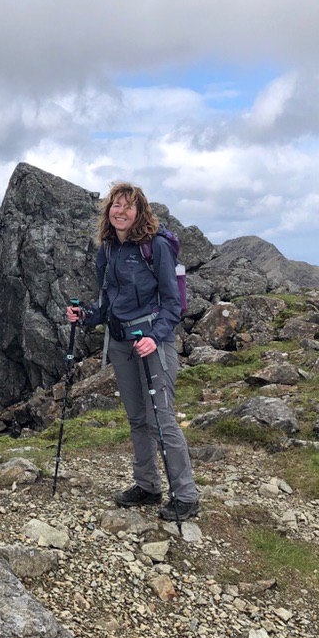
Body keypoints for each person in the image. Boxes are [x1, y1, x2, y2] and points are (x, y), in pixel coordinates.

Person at [66, 181, 199, 521]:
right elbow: (108, 303)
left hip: (153, 342)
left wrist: (155, 336)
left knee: (162, 418)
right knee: (137, 418)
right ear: (108, 211)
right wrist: (85, 317)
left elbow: (173, 303)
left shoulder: (156, 247)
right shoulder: (108, 250)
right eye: (115, 205)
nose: (120, 211)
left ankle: (185, 495)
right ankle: (148, 486)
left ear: (140, 212)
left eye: (128, 206)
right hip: (122, 343)